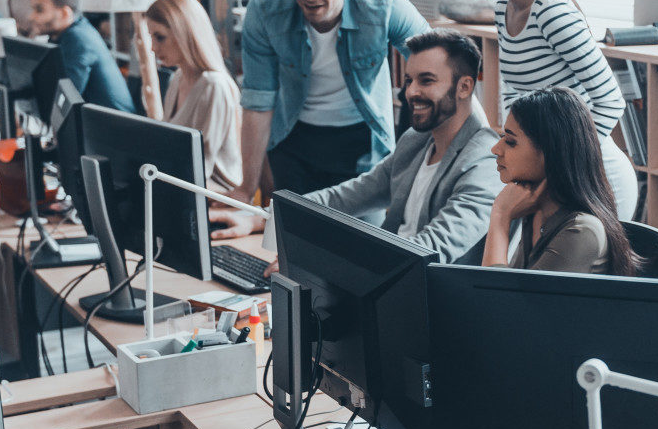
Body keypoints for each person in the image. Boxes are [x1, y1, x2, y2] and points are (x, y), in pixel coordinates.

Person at [210, 28, 501, 266]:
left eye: (426, 81)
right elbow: (345, 198)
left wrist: (324, 260)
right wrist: (266, 218)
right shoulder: (417, 141)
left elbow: (429, 249)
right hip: (391, 283)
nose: (411, 92)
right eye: (409, 80)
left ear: (464, 87)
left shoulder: (484, 163)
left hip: (432, 301)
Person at [226, 0, 429, 206]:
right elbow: (258, 101)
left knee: (359, 247)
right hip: (293, 141)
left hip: (362, 142)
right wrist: (246, 189)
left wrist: (475, 140)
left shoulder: (383, 4)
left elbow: (440, 62)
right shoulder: (266, 8)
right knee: (293, 245)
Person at [470, 0, 638, 220]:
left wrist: (561, 165)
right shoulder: (504, 9)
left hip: (595, 177)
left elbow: (611, 100)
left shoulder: (552, 12)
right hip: (546, 175)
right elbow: (514, 97)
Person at [482, 86, 636, 275]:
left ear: (551, 152)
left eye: (511, 141)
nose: (496, 149)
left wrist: (500, 217)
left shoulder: (582, 231)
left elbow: (499, 302)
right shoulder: (534, 209)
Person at [144, 0, 243, 192]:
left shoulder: (214, 86)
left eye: (160, 37)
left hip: (217, 196)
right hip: (184, 186)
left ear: (185, 34)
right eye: (151, 38)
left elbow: (200, 167)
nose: (153, 48)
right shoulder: (178, 77)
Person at [29, 0, 134, 113]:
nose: (31, 16)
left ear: (65, 13)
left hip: (114, 128)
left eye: (39, 10)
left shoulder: (78, 39)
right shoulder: (61, 35)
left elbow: (65, 100)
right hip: (95, 124)